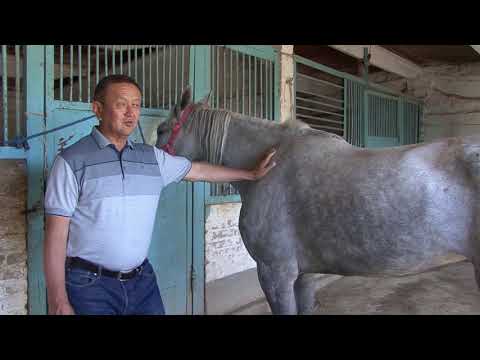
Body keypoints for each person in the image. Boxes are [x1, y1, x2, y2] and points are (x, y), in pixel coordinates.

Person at [44, 74, 276, 315]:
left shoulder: (151, 157)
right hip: (90, 286)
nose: (131, 113)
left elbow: (197, 170)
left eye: (135, 105)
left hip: (142, 281)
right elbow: (56, 234)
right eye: (122, 104)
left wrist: (248, 174)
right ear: (98, 109)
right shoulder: (71, 161)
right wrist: (58, 300)